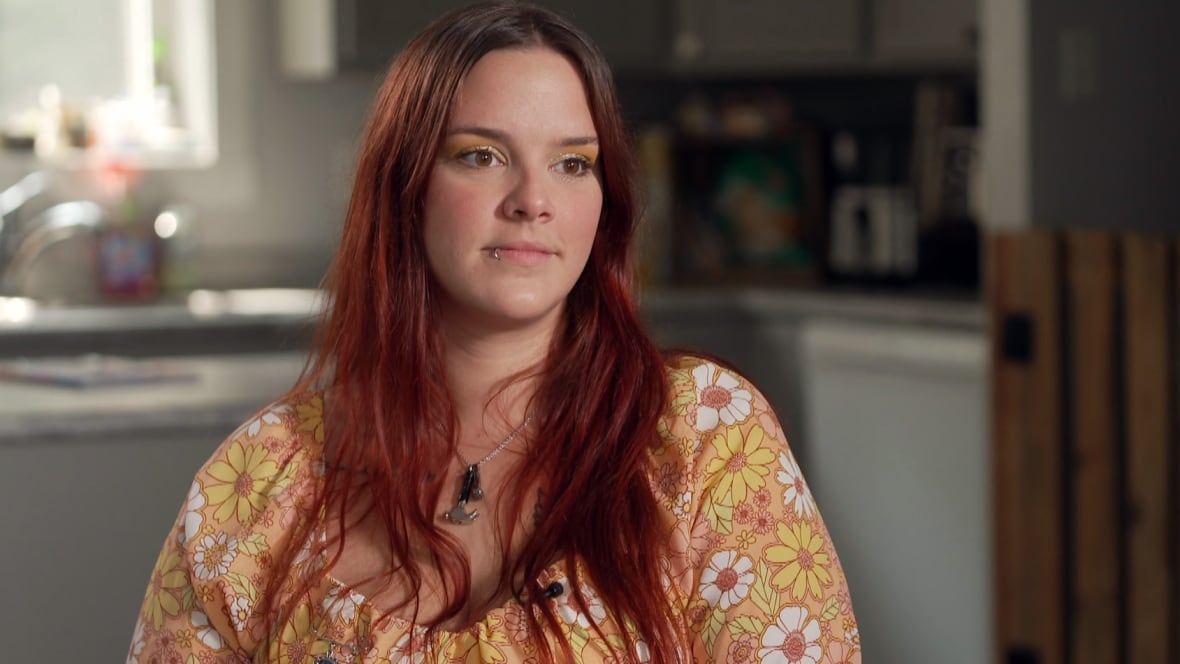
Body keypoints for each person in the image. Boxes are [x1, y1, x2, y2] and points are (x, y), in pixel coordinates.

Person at [128, 3, 861, 662]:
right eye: (481, 155)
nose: (534, 201)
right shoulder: (259, 482)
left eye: (573, 163)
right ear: (404, 188)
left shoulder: (705, 436)